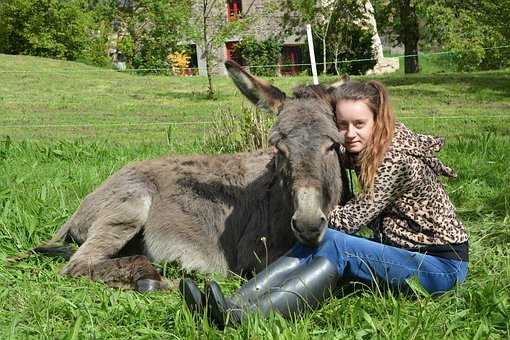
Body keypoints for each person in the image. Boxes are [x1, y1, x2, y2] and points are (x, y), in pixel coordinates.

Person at [179, 80, 469, 328]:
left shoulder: (398, 161)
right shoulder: (368, 149)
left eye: (359, 124)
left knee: (336, 243)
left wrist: (312, 215)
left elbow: (354, 218)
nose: (350, 133)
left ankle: (243, 317)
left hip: (439, 267)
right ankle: (230, 303)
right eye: (342, 126)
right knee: (325, 241)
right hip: (403, 252)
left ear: (378, 121)